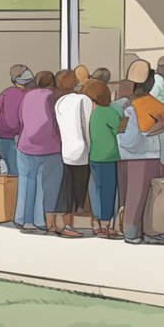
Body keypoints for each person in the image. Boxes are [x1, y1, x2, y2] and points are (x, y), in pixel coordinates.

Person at [119, 60, 164, 245]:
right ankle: (146, 232)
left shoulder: (124, 103)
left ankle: (130, 231)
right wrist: (150, 131)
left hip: (124, 155)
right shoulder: (151, 103)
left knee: (130, 195)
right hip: (147, 156)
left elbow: (121, 129)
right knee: (149, 195)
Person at [16, 71, 62, 234]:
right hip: (50, 148)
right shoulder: (53, 97)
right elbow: (57, 120)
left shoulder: (27, 96)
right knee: (47, 186)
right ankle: (41, 220)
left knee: (27, 183)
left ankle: (24, 220)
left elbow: (21, 119)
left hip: (25, 145)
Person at [54, 69, 92, 238]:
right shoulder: (83, 100)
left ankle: (66, 223)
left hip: (66, 150)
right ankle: (79, 222)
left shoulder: (60, 102)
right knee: (81, 190)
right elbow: (87, 127)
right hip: (82, 151)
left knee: (67, 190)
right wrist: (92, 148)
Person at [83, 79, 121, 239]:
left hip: (93, 156)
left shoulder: (88, 113)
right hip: (109, 156)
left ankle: (98, 223)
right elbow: (120, 130)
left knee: (96, 189)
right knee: (108, 190)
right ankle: (106, 226)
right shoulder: (108, 111)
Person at [0, 65, 34, 176]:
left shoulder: (7, 92)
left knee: (12, 172)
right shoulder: (31, 94)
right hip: (18, 139)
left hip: (8, 139)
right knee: (19, 172)